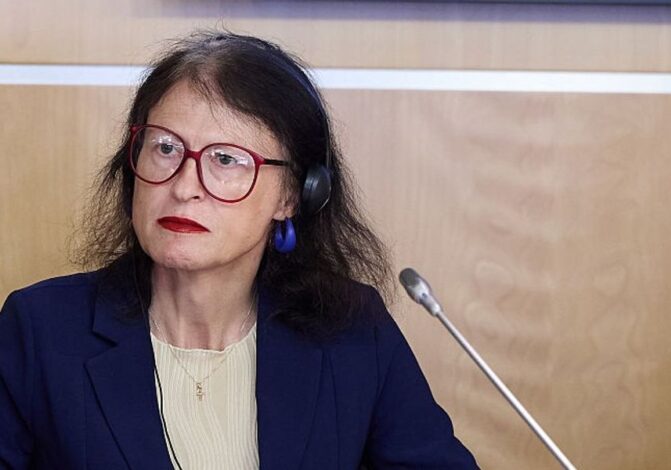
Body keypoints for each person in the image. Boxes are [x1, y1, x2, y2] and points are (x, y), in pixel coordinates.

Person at [0, 31, 478, 469]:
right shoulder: (40, 329)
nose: (185, 186)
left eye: (226, 159)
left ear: (294, 195)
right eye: (165, 148)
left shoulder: (352, 333)